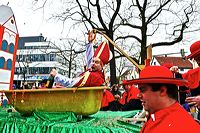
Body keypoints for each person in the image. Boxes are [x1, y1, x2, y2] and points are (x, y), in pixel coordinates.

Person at [125, 66, 200, 132]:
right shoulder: (161, 117)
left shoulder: (180, 126)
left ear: (162, 91)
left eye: (142, 90)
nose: (138, 95)